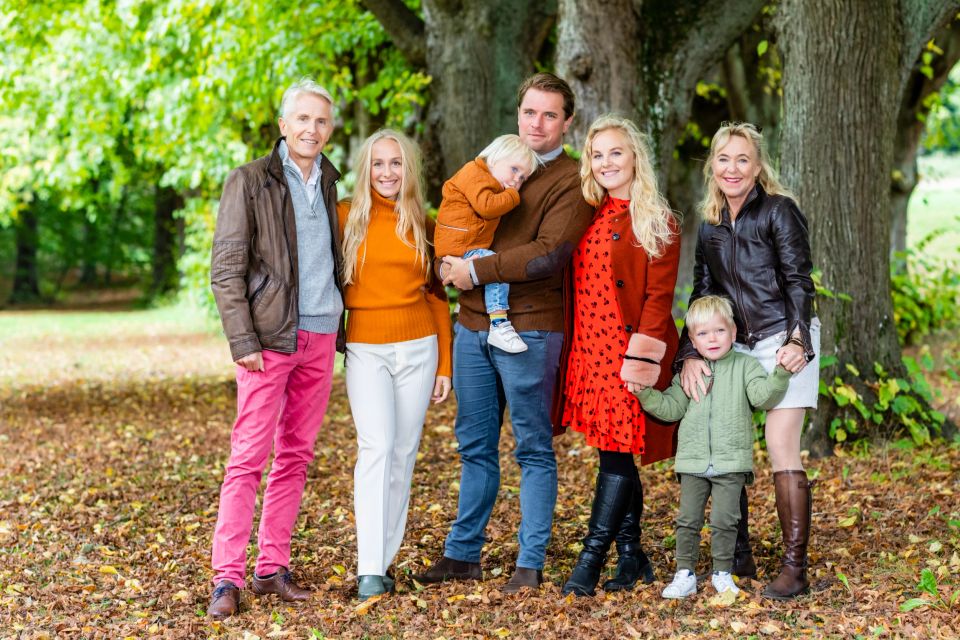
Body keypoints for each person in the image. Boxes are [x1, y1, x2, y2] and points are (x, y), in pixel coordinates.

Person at [414, 72, 594, 593]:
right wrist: (446, 264)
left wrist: (476, 271)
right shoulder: (498, 161)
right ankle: (463, 554)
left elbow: (548, 253)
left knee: (533, 446)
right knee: (474, 444)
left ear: (567, 121)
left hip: (531, 327)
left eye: (549, 114)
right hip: (471, 325)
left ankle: (529, 561)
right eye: (529, 111)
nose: (536, 123)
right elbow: (456, 219)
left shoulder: (572, 179)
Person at [207, 79, 344, 620]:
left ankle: (271, 568)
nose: (312, 129)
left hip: (321, 335)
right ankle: (226, 577)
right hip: (268, 341)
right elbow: (226, 271)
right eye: (303, 120)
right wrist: (243, 339)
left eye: (322, 121)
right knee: (247, 458)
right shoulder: (249, 181)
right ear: (283, 125)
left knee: (295, 456)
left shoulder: (330, 182)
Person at [677, 121, 820, 600]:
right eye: (723, 159)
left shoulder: (779, 212)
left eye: (743, 160)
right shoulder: (710, 225)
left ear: (758, 167)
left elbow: (799, 280)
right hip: (732, 342)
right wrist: (690, 352)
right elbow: (702, 292)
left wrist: (798, 340)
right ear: (712, 167)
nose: (732, 169)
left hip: (782, 337)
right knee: (727, 442)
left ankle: (793, 568)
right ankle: (738, 553)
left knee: (781, 444)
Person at [554, 114, 681, 597]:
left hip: (628, 356)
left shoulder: (657, 220)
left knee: (616, 457)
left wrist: (643, 363)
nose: (606, 162)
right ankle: (632, 558)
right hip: (589, 351)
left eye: (616, 152)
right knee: (612, 452)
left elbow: (657, 300)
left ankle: (590, 560)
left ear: (635, 158)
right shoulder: (586, 212)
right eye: (597, 153)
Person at [337, 129, 453, 600]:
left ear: (409, 170)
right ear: (366, 169)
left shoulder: (422, 222)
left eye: (397, 163)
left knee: (403, 454)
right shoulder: (344, 216)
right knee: (377, 448)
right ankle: (368, 570)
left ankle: (382, 562)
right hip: (366, 346)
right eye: (379, 163)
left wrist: (445, 363)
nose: (387, 172)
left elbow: (438, 296)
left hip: (420, 347)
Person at [634, 295, 792, 599]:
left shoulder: (745, 367)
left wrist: (780, 374)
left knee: (724, 520)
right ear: (692, 339)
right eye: (703, 334)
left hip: (730, 461)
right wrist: (646, 395)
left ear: (733, 332)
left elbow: (763, 397)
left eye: (719, 331)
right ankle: (685, 574)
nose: (713, 339)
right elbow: (670, 409)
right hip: (693, 461)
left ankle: (722, 573)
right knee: (688, 520)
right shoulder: (688, 372)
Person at [435, 134, 540, 354]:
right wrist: (514, 196)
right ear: (494, 159)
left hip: (462, 244)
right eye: (514, 170)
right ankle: (499, 323)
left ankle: (466, 303)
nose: (516, 181)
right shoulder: (475, 174)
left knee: (486, 263)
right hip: (459, 246)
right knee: (493, 265)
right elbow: (487, 206)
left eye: (522, 178)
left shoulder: (483, 177)